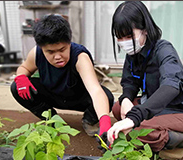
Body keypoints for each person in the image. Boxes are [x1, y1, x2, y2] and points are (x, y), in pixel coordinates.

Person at [106, 1, 183, 160]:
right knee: (118, 109)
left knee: (138, 127)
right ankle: (154, 135)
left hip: (180, 111)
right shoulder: (134, 54)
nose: (124, 42)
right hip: (155, 107)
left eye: (129, 36)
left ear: (145, 30)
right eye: (120, 37)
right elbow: (130, 82)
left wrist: (135, 117)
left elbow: (171, 86)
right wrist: (126, 99)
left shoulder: (164, 50)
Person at [10, 15, 114, 144]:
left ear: (69, 43)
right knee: (16, 87)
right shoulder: (37, 53)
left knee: (107, 97)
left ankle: (89, 119)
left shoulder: (80, 57)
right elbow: (24, 67)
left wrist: (105, 123)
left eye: (62, 50)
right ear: (42, 48)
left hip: (79, 98)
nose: (58, 56)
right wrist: (21, 77)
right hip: (53, 94)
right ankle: (51, 119)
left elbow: (95, 91)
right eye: (50, 52)